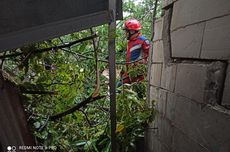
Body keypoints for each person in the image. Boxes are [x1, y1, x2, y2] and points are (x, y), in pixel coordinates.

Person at [120, 18, 150, 85]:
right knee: (119, 86)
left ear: (132, 31)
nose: (125, 33)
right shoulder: (130, 42)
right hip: (130, 72)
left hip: (138, 74)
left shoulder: (143, 41)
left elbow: (150, 56)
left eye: (126, 31)